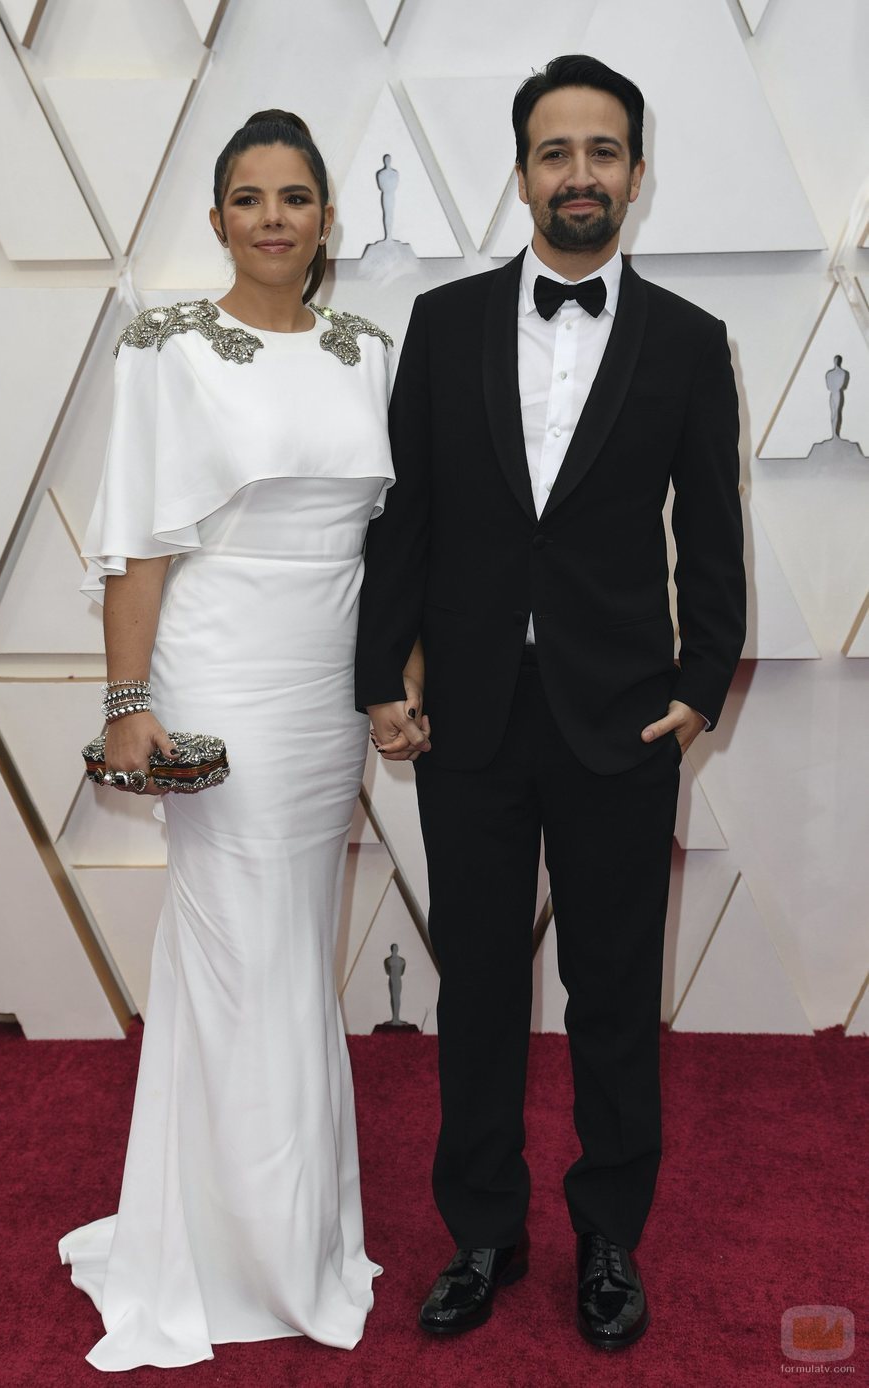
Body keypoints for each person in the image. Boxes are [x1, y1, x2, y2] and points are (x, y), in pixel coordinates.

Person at [356, 55, 746, 1349]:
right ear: (521, 173)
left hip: (621, 717)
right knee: (475, 987)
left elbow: (714, 531)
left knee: (613, 991)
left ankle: (608, 1239)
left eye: (602, 151)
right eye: (555, 151)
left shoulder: (690, 341)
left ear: (635, 173)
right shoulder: (447, 324)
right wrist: (381, 679)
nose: (579, 173)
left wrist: (700, 685)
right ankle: (482, 1228)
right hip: (467, 716)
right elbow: (408, 518)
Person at [59, 110, 402, 1371]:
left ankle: (291, 1234)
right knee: (232, 945)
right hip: (214, 669)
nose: (273, 217)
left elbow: (388, 543)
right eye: (248, 198)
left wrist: (393, 680)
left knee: (291, 946)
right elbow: (138, 542)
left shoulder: (370, 351)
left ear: (325, 219)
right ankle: (213, 1249)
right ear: (215, 221)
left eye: (296, 196)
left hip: (324, 682)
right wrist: (125, 701)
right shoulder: (164, 346)